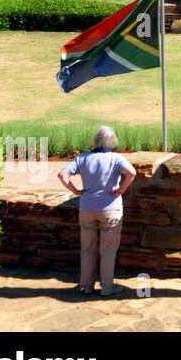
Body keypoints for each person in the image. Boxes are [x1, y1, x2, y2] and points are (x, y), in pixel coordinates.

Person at [58, 126, 136, 297]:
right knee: (108, 250)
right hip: (110, 208)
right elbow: (131, 172)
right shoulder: (115, 158)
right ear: (112, 141)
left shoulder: (83, 158)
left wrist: (76, 191)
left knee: (87, 248)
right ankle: (107, 287)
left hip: (86, 208)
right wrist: (121, 190)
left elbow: (62, 174)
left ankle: (86, 285)